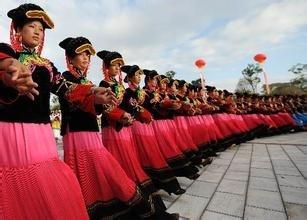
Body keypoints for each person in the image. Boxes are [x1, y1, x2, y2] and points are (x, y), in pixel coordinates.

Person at [0, 4, 109, 219]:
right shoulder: (9, 52)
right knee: (21, 189)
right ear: (18, 30)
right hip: (11, 131)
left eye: (41, 29)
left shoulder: (48, 65)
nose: (38, 32)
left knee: (54, 187)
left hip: (42, 133)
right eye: (32, 26)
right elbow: (3, 63)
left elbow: (66, 89)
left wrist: (93, 93)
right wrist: (10, 70)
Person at [59, 37, 161, 219]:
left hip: (91, 131)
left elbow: (106, 106)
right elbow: (82, 102)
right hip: (78, 132)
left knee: (105, 170)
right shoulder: (67, 78)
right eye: (81, 54)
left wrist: (133, 112)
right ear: (70, 57)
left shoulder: (90, 82)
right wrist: (120, 115)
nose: (86, 58)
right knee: (98, 172)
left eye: (88, 55)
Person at [97, 50, 179, 219]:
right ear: (106, 67)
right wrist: (124, 115)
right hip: (113, 130)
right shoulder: (103, 84)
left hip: (126, 128)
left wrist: (141, 113)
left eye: (119, 65)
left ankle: (147, 202)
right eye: (114, 64)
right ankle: (135, 203)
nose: (117, 68)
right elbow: (106, 109)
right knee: (124, 165)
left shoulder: (120, 87)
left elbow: (131, 104)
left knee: (131, 162)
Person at [120, 65, 185, 195]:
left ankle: (160, 182)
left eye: (140, 75)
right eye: (137, 75)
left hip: (147, 125)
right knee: (149, 153)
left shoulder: (141, 92)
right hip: (138, 125)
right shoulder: (128, 92)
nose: (139, 77)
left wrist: (167, 104)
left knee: (151, 152)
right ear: (130, 77)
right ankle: (162, 183)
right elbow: (132, 106)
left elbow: (152, 105)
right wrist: (144, 111)